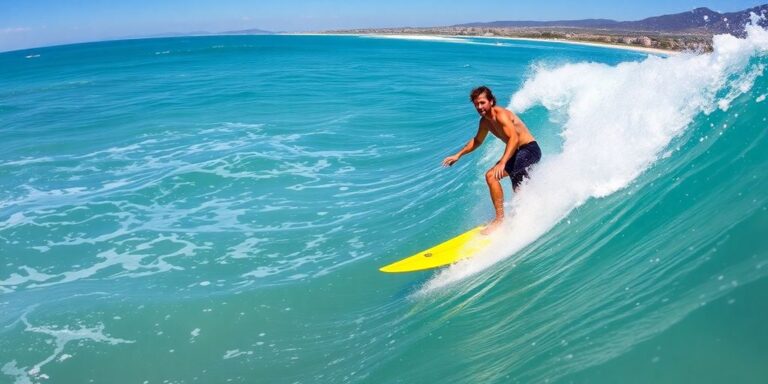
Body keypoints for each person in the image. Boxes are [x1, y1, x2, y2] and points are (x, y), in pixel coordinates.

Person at [442, 86, 541, 234]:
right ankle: (526, 217)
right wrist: (458, 155)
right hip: (518, 152)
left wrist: (502, 162)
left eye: (482, 102)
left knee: (491, 176)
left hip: (529, 150)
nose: (479, 107)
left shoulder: (501, 115)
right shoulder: (485, 122)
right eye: (476, 104)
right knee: (519, 190)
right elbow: (477, 141)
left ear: (491, 101)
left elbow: (513, 138)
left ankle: (499, 220)